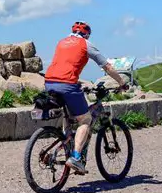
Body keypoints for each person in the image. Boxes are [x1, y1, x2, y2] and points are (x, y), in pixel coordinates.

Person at [44, 21, 127, 175]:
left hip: (49, 83)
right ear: (87, 34)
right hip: (67, 84)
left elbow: (64, 65)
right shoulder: (86, 44)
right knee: (85, 120)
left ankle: (66, 141)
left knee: (68, 115)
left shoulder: (61, 42)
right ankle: (75, 157)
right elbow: (107, 67)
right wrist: (121, 82)